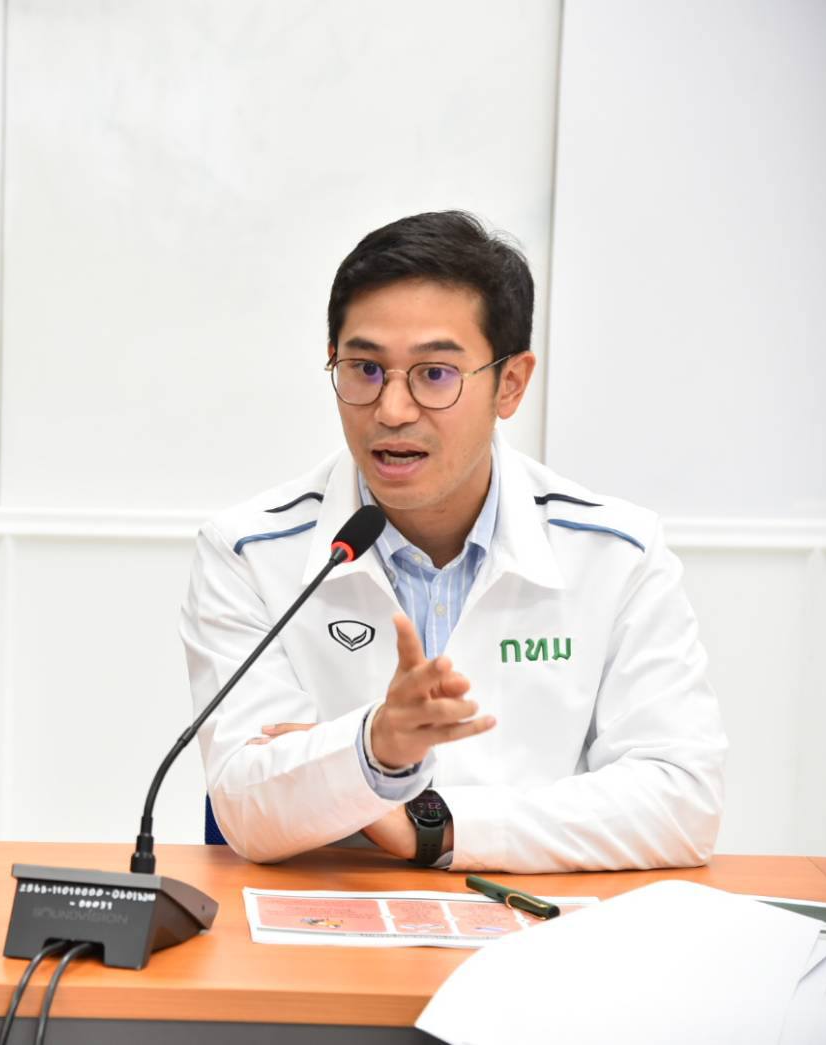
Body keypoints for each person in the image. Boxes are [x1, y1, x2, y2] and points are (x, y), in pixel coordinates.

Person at [180, 211, 726, 872]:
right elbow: (246, 804)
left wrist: (428, 823)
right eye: (364, 368)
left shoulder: (616, 552)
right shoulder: (247, 551)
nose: (391, 410)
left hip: (540, 918)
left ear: (510, 383)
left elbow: (680, 798)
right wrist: (375, 746)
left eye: (434, 374)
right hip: (326, 913)